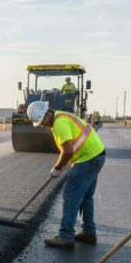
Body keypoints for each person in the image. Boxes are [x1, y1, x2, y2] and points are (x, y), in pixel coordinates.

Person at [27, 100, 106, 248]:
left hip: (87, 158)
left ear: (47, 113)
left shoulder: (59, 123)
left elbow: (67, 151)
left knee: (71, 195)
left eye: (42, 121)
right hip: (97, 155)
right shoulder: (62, 116)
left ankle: (66, 236)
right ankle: (89, 232)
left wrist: (57, 168)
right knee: (86, 197)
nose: (43, 125)